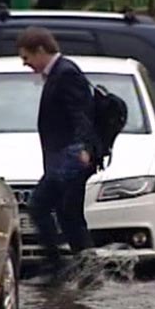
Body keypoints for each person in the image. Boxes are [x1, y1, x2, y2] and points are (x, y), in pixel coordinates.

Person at [17, 26, 99, 276]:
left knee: (39, 205)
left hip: (70, 157)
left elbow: (81, 113)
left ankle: (56, 264)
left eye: (27, 57)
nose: (25, 64)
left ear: (41, 50)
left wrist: (84, 147)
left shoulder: (66, 73)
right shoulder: (59, 73)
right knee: (68, 213)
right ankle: (87, 269)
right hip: (65, 156)